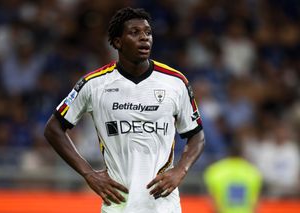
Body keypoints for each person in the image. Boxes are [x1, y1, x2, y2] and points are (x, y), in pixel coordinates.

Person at [44, 7, 205, 213]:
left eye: (147, 32)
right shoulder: (94, 84)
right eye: (135, 33)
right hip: (118, 205)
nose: (144, 38)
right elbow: (53, 128)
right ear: (118, 42)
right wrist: (89, 174)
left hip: (163, 206)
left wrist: (181, 169)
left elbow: (197, 135)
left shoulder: (175, 82)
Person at [203, 141, 262, 213]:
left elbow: (212, 200)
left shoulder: (215, 170)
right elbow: (255, 203)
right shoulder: (253, 171)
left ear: (228, 153)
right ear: (242, 153)